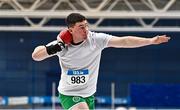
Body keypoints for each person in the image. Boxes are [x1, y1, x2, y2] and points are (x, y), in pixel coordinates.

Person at [32, 13, 170, 110]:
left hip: (89, 94)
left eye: (86, 25)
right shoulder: (61, 45)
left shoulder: (96, 40)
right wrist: (55, 47)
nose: (86, 30)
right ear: (71, 30)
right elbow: (36, 55)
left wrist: (151, 41)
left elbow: (124, 41)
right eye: (81, 27)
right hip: (69, 94)